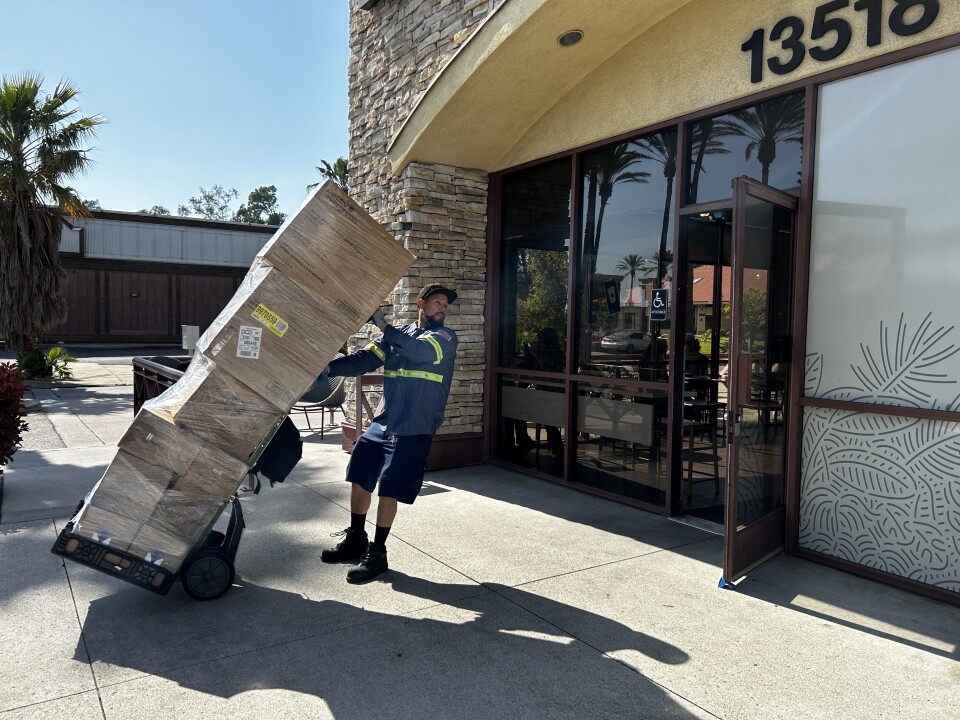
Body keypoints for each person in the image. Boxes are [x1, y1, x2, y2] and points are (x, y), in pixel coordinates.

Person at [317, 283, 458, 584]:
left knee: (390, 488)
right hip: (384, 423)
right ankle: (356, 539)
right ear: (421, 305)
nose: (442, 308)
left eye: (445, 304)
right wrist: (329, 368)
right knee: (360, 473)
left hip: (414, 428)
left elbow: (419, 354)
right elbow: (364, 360)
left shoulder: (444, 338)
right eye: (437, 302)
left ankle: (377, 554)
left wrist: (382, 323)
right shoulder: (399, 336)